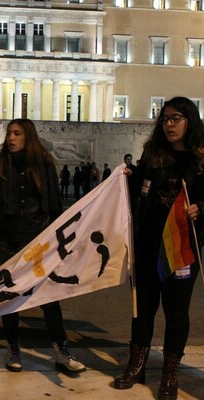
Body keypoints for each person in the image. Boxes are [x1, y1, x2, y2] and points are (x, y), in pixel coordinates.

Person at [0, 118, 85, 374]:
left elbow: (55, 206)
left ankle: (61, 351)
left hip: (38, 240)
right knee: (9, 296)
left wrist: (60, 242)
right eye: (9, 133)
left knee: (49, 297)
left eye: (17, 133)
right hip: (8, 239)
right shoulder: (1, 164)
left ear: (28, 137)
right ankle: (13, 347)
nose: (11, 138)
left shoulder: (44, 165)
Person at [113, 97, 204, 400]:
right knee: (143, 310)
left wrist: (200, 209)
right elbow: (138, 190)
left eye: (176, 118)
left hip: (181, 249)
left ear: (190, 119)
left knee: (176, 313)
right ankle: (136, 365)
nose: (169, 124)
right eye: (164, 118)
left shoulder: (201, 159)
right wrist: (125, 178)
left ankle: (169, 375)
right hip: (148, 245)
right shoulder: (153, 154)